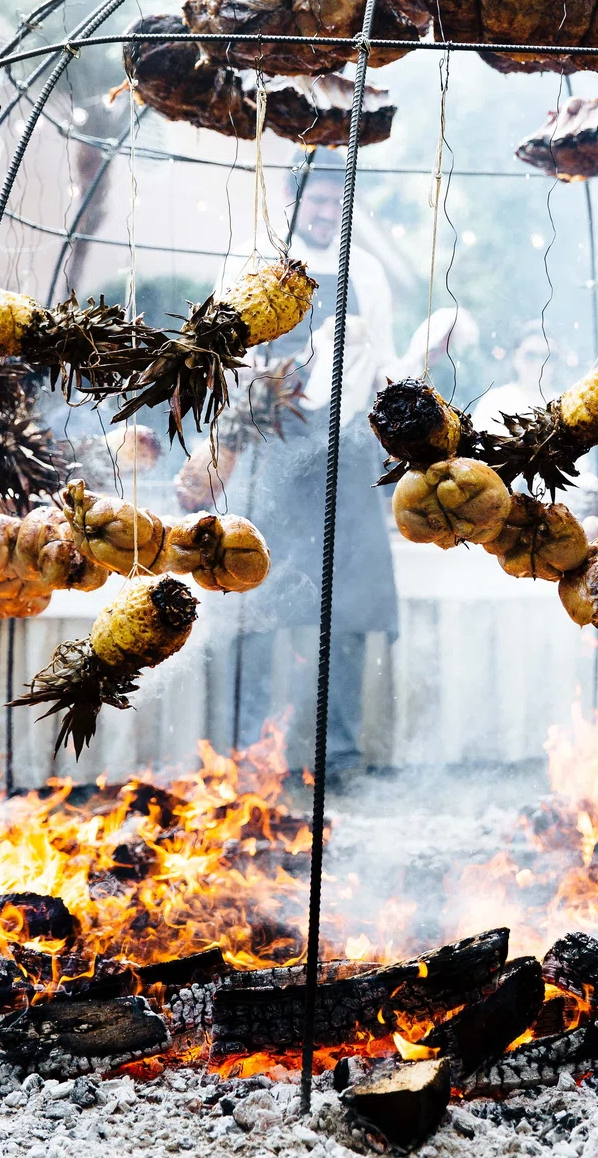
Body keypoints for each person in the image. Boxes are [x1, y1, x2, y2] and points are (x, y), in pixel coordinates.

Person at [224, 161, 471, 773]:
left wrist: (419, 359)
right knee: (257, 594)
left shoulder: (366, 270)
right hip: (273, 446)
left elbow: (386, 367)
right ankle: (250, 751)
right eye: (316, 201)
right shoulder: (255, 260)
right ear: (291, 197)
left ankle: (338, 754)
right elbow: (225, 358)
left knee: (349, 601)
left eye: (337, 201)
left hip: (347, 451)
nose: (326, 212)